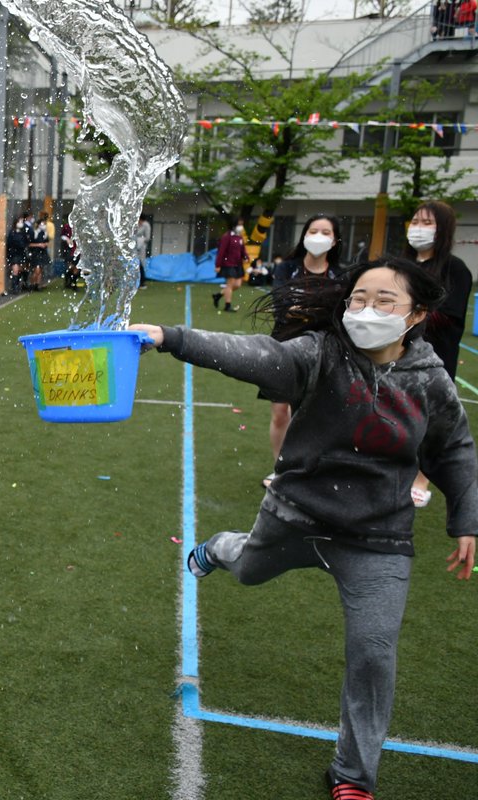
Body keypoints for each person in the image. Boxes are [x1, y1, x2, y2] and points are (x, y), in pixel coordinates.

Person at [130, 257, 476, 800]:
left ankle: (353, 774)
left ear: (417, 316)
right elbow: (259, 356)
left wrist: (466, 518)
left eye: (384, 301)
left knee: (374, 650)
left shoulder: (431, 380)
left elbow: (454, 450)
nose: (366, 310)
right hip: (296, 514)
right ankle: (222, 547)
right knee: (245, 570)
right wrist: (170, 337)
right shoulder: (322, 352)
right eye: (358, 298)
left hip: (377, 539)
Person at [260, 214, 345, 489]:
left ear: (334, 240)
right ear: (304, 235)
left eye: (325, 232)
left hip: (325, 349)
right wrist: (317, 310)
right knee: (280, 412)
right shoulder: (287, 269)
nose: (318, 236)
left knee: (313, 413)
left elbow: (339, 313)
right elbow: (283, 306)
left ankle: (310, 467)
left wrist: (306, 309)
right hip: (284, 345)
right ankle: (281, 468)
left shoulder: (341, 274)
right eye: (313, 230)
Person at [402, 200, 473, 508]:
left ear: (442, 229)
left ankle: (421, 478)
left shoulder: (454, 268)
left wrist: (408, 314)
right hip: (395, 354)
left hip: (435, 357)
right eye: (415, 221)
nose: (418, 228)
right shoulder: (400, 265)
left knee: (430, 420)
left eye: (427, 223)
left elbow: (450, 314)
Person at [212, 219, 247, 312]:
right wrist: (218, 265)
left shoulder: (239, 237)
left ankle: (218, 295)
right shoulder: (226, 237)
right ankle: (227, 306)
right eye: (240, 224)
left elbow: (242, 249)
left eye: (242, 224)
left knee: (237, 284)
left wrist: (246, 256)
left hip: (238, 264)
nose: (241, 226)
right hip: (228, 264)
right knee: (230, 283)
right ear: (234, 225)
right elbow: (221, 251)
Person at [5, 211, 33, 295]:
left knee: (22, 269)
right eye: (19, 221)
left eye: (22, 221)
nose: (21, 223)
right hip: (14, 254)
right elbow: (9, 244)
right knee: (15, 270)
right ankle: (14, 287)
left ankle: (22, 284)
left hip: (22, 253)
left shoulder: (24, 232)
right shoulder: (12, 232)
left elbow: (27, 241)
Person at [28, 210, 51, 291]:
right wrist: (39, 245)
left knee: (40, 269)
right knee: (36, 270)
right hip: (35, 253)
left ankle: (37, 285)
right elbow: (29, 244)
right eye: (42, 224)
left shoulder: (44, 233)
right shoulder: (34, 233)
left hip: (43, 253)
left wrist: (45, 245)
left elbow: (47, 242)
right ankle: (32, 283)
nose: (43, 225)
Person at [133, 214, 152, 288]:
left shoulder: (145, 225)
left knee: (141, 263)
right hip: (136, 246)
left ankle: (142, 282)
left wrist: (140, 240)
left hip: (141, 247)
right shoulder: (137, 224)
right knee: (136, 264)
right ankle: (137, 282)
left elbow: (147, 237)